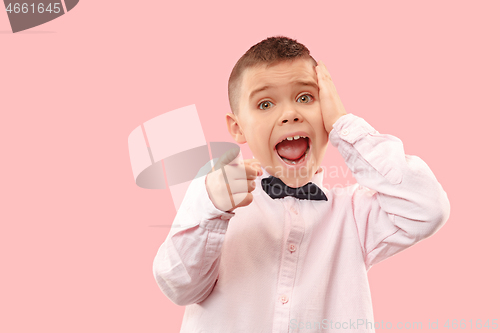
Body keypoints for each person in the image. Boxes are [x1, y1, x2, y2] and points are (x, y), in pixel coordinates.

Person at [153, 36, 450, 333]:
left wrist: (343, 125)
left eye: (305, 98)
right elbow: (179, 287)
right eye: (265, 103)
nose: (290, 114)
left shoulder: (356, 214)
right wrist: (210, 207)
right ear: (237, 127)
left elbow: (428, 207)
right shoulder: (213, 204)